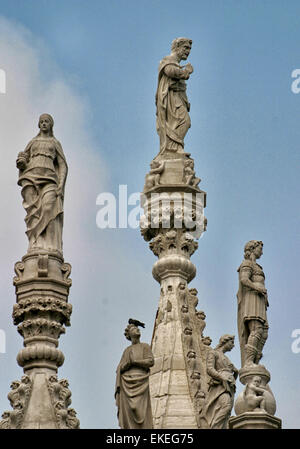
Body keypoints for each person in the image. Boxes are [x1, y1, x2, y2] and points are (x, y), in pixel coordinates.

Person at [16, 113, 68, 253]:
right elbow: (23, 159)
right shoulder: (32, 142)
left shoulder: (55, 143)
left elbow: (62, 165)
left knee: (48, 207)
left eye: (47, 121)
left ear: (51, 125)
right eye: (42, 122)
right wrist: (21, 162)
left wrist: (61, 185)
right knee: (33, 212)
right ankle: (35, 244)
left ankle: (50, 245)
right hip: (31, 177)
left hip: (50, 178)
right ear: (39, 125)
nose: (44, 123)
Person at [156, 37, 193, 155]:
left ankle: (175, 147)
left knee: (182, 122)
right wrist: (186, 71)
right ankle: (173, 148)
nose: (188, 51)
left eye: (189, 49)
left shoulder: (175, 63)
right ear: (177, 48)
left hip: (177, 99)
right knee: (184, 121)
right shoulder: (168, 60)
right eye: (186, 48)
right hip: (171, 100)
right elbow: (170, 71)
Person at [115, 319, 154, 429]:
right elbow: (120, 368)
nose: (136, 329)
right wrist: (127, 364)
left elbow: (151, 361)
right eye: (133, 329)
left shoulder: (145, 346)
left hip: (142, 381)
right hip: (128, 384)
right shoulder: (127, 350)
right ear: (129, 335)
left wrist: (136, 362)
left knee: (142, 410)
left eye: (137, 328)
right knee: (131, 410)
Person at [237, 240, 269, 367]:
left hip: (260, 300)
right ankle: (248, 361)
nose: (261, 251)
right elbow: (244, 279)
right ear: (252, 249)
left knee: (264, 332)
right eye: (259, 248)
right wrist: (257, 288)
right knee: (256, 329)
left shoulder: (258, 266)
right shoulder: (247, 263)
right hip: (252, 299)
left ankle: (255, 361)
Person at [204, 334, 238, 429]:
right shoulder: (213, 353)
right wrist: (222, 377)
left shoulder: (226, 358)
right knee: (225, 407)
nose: (233, 345)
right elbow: (209, 369)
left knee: (227, 413)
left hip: (230, 386)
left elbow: (234, 374)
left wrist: (236, 372)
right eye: (232, 342)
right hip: (220, 386)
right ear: (225, 342)